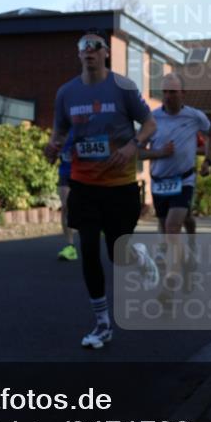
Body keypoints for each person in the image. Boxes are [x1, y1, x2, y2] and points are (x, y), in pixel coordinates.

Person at [44, 31, 157, 349]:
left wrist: (133, 146)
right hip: (84, 184)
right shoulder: (66, 92)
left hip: (119, 185)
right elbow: (60, 131)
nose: (89, 51)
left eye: (95, 47)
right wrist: (53, 147)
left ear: (106, 52)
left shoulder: (123, 87)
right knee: (89, 249)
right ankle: (102, 323)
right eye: (83, 47)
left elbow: (150, 124)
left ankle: (139, 253)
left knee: (116, 253)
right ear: (78, 54)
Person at [141, 74, 211, 290]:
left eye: (173, 92)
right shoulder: (152, 119)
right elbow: (137, 152)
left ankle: (172, 281)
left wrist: (208, 159)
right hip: (159, 181)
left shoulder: (195, 116)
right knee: (166, 229)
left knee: (172, 228)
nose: (168, 96)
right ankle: (188, 261)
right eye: (165, 92)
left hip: (184, 180)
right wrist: (159, 152)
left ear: (183, 94)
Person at [56, 136, 78, 260]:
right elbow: (51, 156)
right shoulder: (60, 131)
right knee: (65, 206)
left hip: (85, 174)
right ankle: (71, 247)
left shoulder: (83, 126)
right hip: (65, 174)